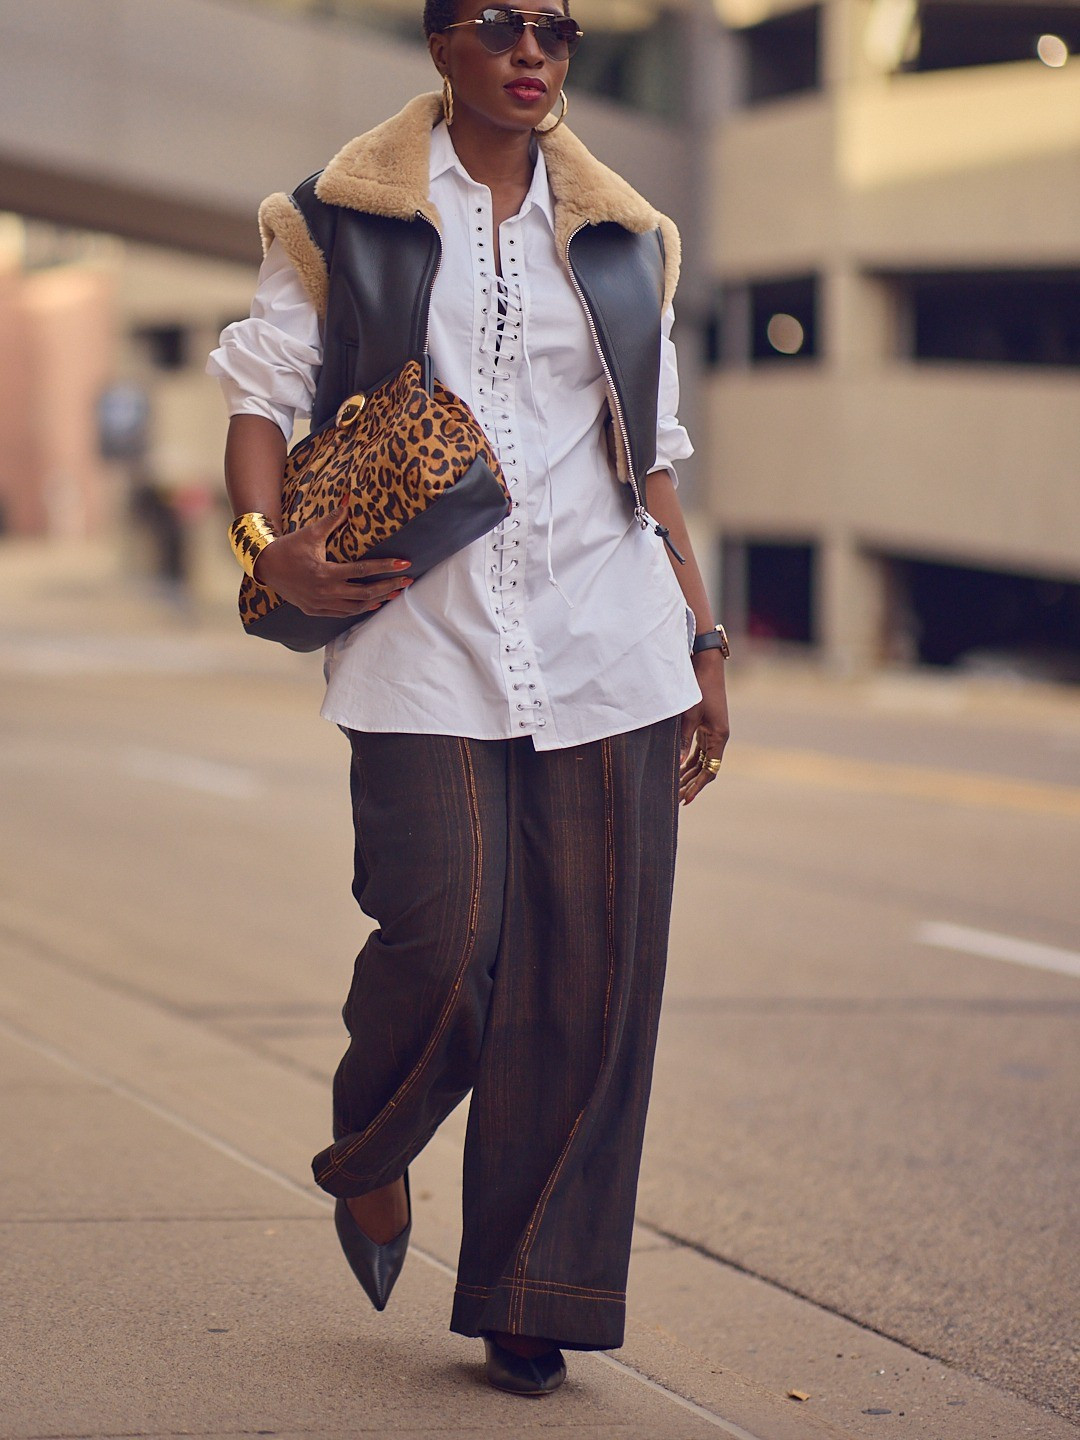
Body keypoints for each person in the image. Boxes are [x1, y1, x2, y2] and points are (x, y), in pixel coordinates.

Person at [207, 0, 730, 1398]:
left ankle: (534, 1291)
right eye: (499, 24)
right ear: (441, 43)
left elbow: (651, 458)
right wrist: (269, 548)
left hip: (610, 638)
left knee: (589, 979)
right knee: (446, 941)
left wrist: (703, 639)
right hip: (417, 630)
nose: (532, 51)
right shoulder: (345, 216)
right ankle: (370, 1148)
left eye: (555, 28)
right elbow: (260, 398)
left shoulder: (628, 237)